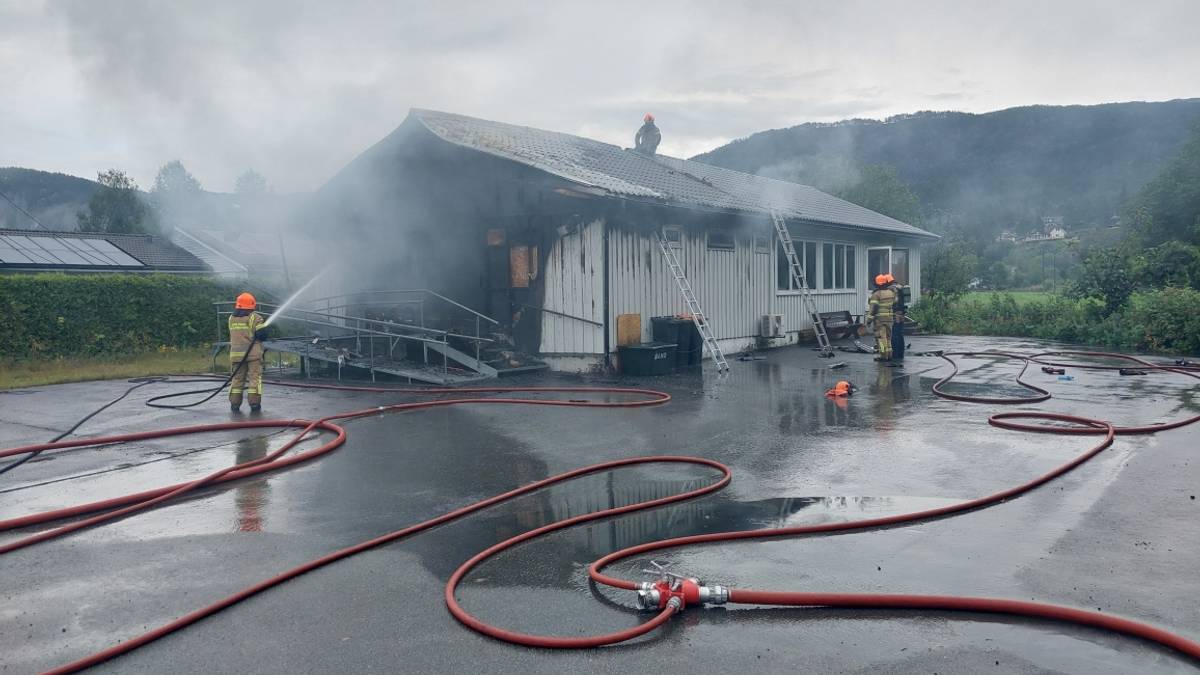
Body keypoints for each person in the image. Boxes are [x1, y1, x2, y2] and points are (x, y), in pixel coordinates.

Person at [228, 292, 268, 412]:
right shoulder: (255, 317)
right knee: (254, 378)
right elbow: (262, 336)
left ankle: (235, 404)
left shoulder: (231, 318)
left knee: (237, 379)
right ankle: (254, 405)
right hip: (253, 355)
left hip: (236, 355)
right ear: (252, 305)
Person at [867, 274, 897, 362]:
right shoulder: (891, 293)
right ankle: (889, 354)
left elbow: (873, 308)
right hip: (889, 319)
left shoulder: (876, 294)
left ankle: (883, 355)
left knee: (880, 338)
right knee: (888, 337)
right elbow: (894, 303)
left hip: (880, 320)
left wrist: (869, 320)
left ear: (878, 284)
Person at [887, 273, 907, 363]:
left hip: (895, 313)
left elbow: (892, 302)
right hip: (902, 314)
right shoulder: (902, 287)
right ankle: (901, 354)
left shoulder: (891, 289)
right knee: (900, 334)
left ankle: (895, 355)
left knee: (894, 334)